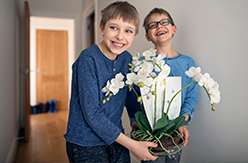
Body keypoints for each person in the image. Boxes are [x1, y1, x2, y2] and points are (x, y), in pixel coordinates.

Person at [64, 1, 158, 163]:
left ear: (134, 36)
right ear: (102, 28)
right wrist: (133, 145)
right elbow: (92, 113)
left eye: (128, 31)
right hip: (85, 142)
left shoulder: (127, 59)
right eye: (113, 28)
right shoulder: (88, 59)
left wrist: (136, 123)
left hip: (116, 137)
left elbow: (131, 97)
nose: (120, 36)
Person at [139, 8, 199, 163]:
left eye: (164, 22)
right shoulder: (142, 65)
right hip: (149, 133)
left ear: (174, 29)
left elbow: (191, 96)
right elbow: (134, 97)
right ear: (147, 36)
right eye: (153, 25)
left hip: (176, 134)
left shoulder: (188, 64)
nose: (159, 26)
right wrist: (135, 121)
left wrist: (182, 120)